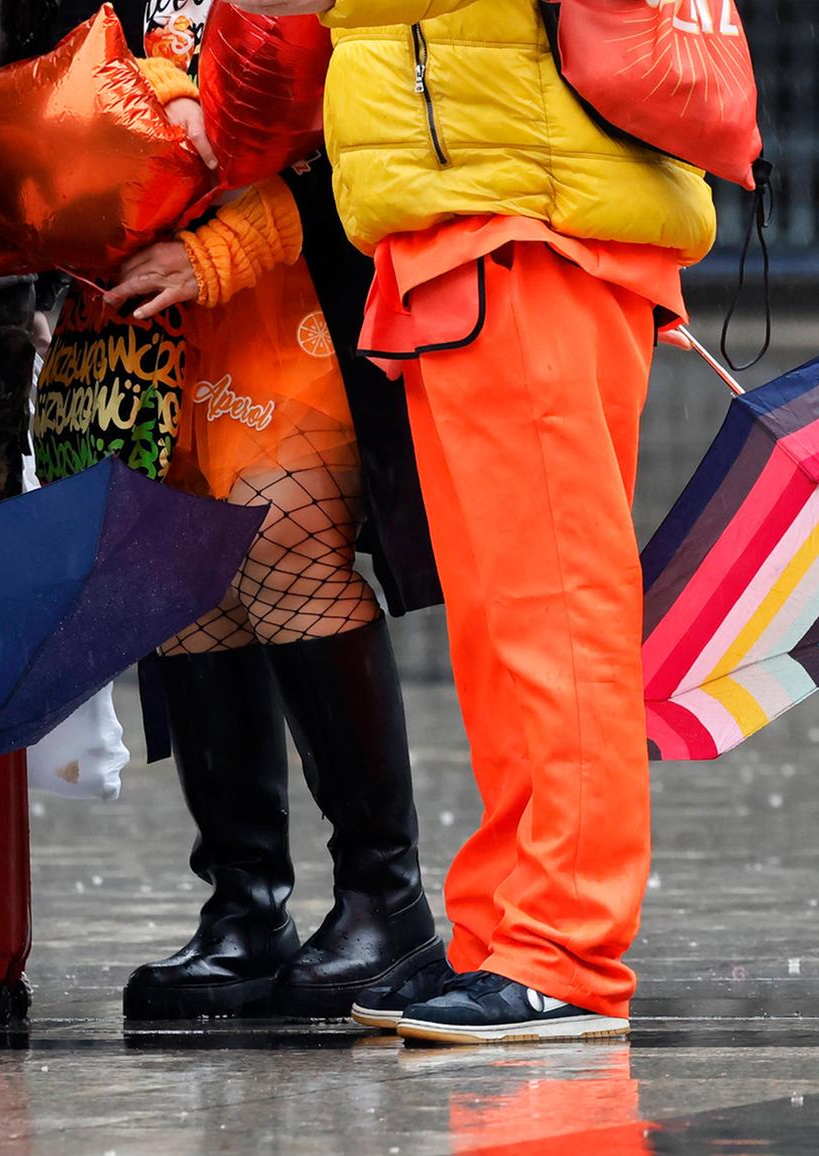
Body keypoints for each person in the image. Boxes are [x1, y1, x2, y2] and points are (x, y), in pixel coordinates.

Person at [219, 0, 715, 1042]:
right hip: (467, 218)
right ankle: (504, 932)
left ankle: (566, 947)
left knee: (554, 607)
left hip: (521, 214)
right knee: (503, 620)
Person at [29, 0, 448, 1021]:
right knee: (187, 586)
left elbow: (360, 139)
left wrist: (212, 248)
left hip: (285, 300)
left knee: (288, 563)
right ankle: (244, 906)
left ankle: (382, 902)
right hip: (143, 320)